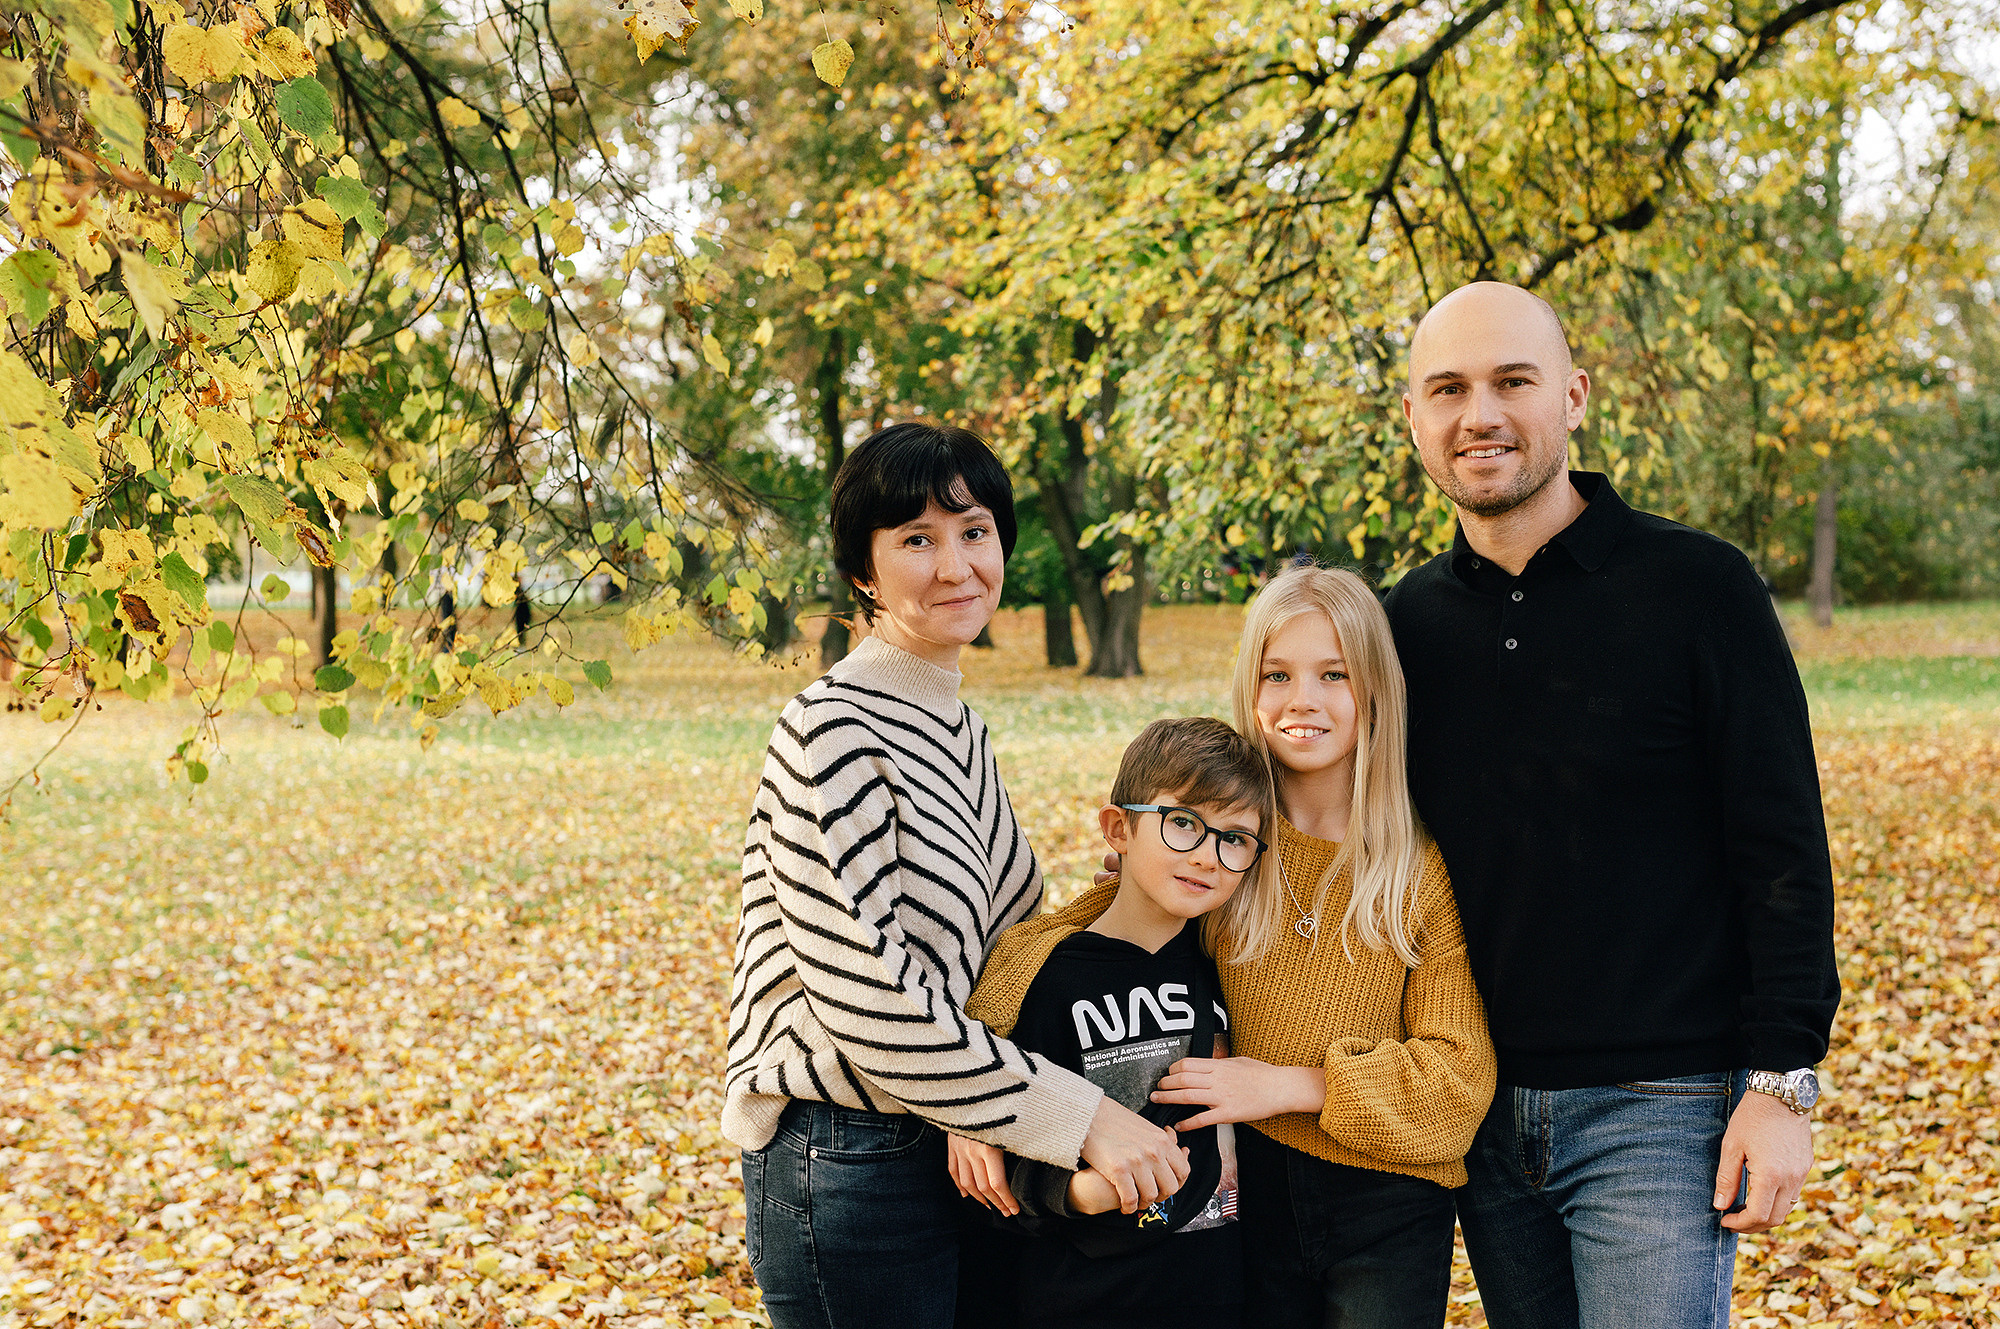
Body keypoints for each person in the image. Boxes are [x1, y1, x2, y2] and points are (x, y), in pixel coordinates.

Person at [1383, 281, 1841, 1329]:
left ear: (1574, 396)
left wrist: (1778, 1086)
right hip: (1477, 1105)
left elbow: (1779, 848)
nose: (1479, 414)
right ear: (1411, 416)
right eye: (1446, 388)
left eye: (1512, 381)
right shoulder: (1398, 625)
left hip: (1661, 1110)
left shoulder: (1697, 589)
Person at [723, 423, 1190, 1329]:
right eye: (916, 540)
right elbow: (870, 995)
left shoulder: (956, 725)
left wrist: (1136, 885)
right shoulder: (832, 728)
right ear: (863, 570)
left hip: (958, 1136)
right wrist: (1078, 1115)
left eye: (974, 531)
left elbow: (1000, 949)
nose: (955, 565)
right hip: (849, 1155)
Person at [973, 564, 1496, 1328]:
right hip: (1250, 1199)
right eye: (1276, 673)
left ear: (1376, 690)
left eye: (1334, 674)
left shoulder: (1414, 870)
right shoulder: (1226, 850)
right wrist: (970, 1097)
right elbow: (1055, 947)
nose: (1302, 700)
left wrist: (1290, 1083)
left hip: (1389, 1206)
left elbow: (1460, 1083)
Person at [957, 716, 1270, 1329]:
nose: (1208, 856)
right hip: (1081, 1297)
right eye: (1182, 823)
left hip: (1219, 1292)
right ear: (1118, 827)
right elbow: (997, 1174)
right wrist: (1080, 1193)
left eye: (1235, 838)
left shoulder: (1230, 963)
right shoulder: (1044, 980)